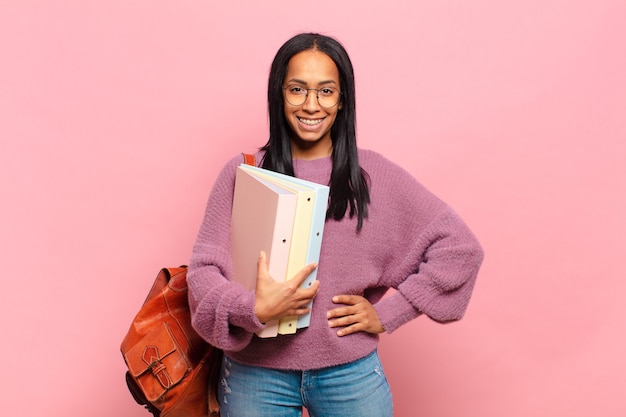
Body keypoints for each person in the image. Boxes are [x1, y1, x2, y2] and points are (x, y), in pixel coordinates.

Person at [187, 32, 484, 417]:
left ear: (342, 100)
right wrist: (252, 306)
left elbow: (460, 249)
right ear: (279, 94)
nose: (311, 104)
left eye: (326, 91)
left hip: (350, 375)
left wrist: (392, 313)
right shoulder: (243, 173)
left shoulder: (373, 175)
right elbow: (203, 273)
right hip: (254, 377)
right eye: (297, 89)